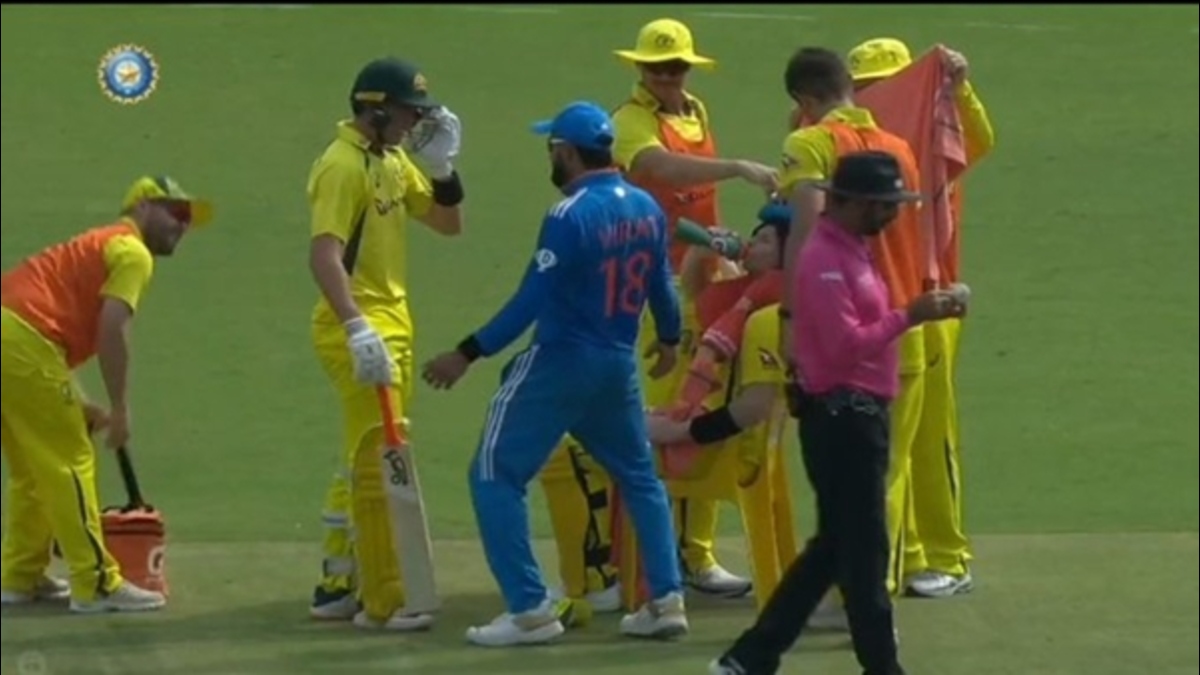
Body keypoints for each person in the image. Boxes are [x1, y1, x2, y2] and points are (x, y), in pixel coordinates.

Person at [422, 101, 687, 646]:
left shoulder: (568, 216)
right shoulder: (646, 206)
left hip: (561, 362)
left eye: (551, 149)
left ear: (565, 152)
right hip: (617, 366)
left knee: (494, 475)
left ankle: (529, 610)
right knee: (640, 478)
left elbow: (532, 298)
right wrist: (667, 338)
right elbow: (662, 283)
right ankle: (666, 601)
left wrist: (467, 352)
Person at [710, 151, 967, 675]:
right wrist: (911, 315)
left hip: (855, 416)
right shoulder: (827, 260)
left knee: (832, 550)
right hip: (843, 420)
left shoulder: (851, 249)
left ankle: (749, 659)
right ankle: (880, 667)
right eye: (883, 205)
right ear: (850, 203)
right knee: (865, 555)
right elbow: (844, 346)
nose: (891, 214)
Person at [1, 175, 210, 613]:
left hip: (15, 336)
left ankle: (20, 576)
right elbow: (112, 328)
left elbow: (44, 335)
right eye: (175, 212)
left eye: (189, 218)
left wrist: (80, 404)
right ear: (142, 207)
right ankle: (95, 583)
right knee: (70, 461)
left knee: (33, 469)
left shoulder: (101, 244)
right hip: (23, 341)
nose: (183, 225)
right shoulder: (131, 252)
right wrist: (119, 409)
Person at [306, 56, 464, 630]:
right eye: (407, 112)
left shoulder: (392, 160)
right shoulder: (341, 165)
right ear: (374, 110)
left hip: (393, 326)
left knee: (364, 452)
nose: (415, 123)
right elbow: (323, 255)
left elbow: (447, 224)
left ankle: (337, 582)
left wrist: (443, 168)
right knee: (381, 454)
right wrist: (355, 326)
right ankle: (385, 594)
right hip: (358, 329)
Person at [774, 47, 930, 617]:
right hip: (903, 325)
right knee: (886, 470)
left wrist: (790, 321)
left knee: (853, 479)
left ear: (803, 99)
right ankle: (867, 591)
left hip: (844, 334)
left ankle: (862, 598)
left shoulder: (810, 144)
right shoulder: (898, 149)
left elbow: (805, 234)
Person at [848, 37, 995, 598]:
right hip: (883, 311)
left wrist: (960, 90)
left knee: (931, 438)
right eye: (864, 90)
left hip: (932, 308)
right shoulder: (861, 152)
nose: (875, 100)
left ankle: (948, 557)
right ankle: (909, 555)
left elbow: (980, 141)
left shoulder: (934, 138)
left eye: (885, 87)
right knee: (892, 442)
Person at [646, 205, 798, 603]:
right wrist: (703, 251)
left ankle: (622, 578)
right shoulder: (756, 292)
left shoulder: (767, 304)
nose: (752, 244)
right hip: (731, 432)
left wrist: (676, 430)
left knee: (596, 450)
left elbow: (748, 406)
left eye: (764, 240)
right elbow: (700, 297)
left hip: (718, 438)